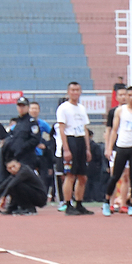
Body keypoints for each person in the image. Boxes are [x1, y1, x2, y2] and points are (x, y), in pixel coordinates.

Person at [104, 85, 132, 216]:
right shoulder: (120, 111)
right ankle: (107, 202)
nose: (131, 98)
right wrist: (109, 147)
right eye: (129, 95)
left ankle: (131, 205)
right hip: (122, 146)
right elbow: (114, 130)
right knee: (115, 176)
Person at [55, 82, 94, 215]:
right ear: (68, 91)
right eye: (72, 90)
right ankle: (67, 204)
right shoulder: (63, 108)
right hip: (70, 140)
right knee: (70, 175)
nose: (75, 92)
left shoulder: (82, 108)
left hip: (81, 140)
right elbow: (61, 128)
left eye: (77, 90)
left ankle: (79, 203)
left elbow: (85, 128)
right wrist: (66, 149)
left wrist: (87, 148)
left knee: (82, 176)